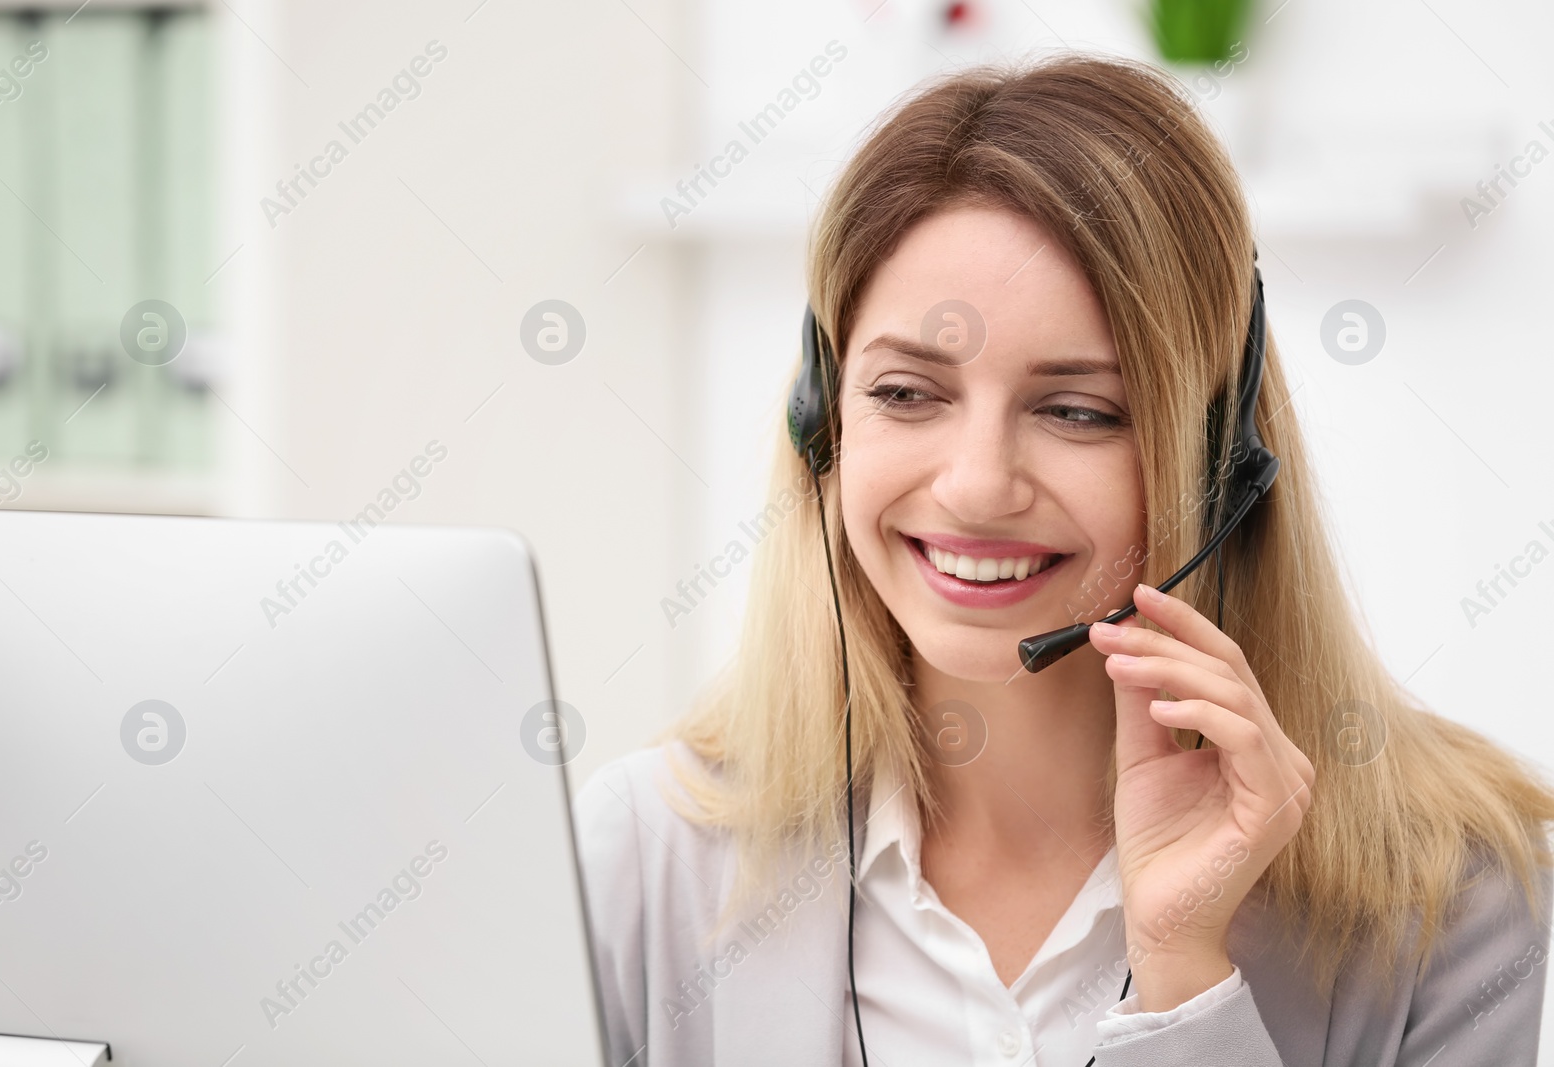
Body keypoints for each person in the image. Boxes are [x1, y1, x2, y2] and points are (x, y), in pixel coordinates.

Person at [573, 51, 1554, 1066]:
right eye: (907, 392)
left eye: (1078, 410)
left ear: (1219, 458)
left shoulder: (1451, 893)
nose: (977, 485)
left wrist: (1183, 978)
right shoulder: (645, 857)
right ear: (821, 422)